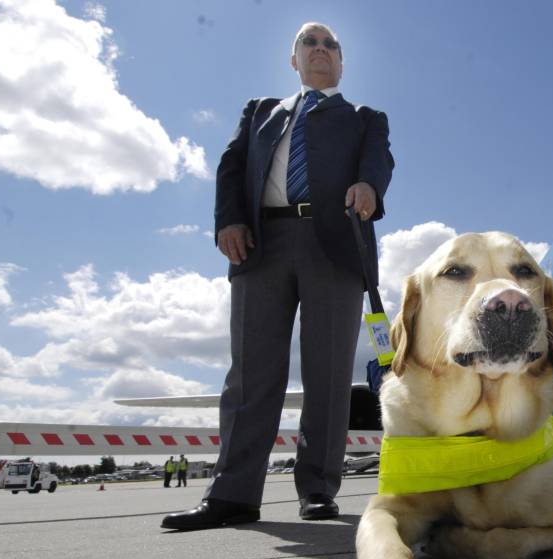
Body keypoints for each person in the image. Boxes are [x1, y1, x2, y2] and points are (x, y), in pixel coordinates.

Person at [162, 22, 393, 531]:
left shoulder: (364, 119)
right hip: (260, 244)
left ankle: (317, 487)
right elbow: (231, 165)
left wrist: (369, 186)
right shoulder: (261, 111)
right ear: (294, 60)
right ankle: (233, 494)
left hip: (333, 245)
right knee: (250, 373)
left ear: (341, 61)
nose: (320, 50)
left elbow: (379, 161)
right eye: (309, 43)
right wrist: (228, 221)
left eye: (330, 44)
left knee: (328, 373)